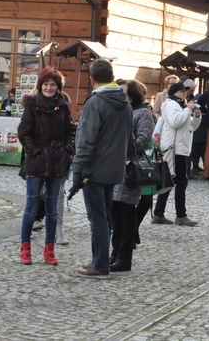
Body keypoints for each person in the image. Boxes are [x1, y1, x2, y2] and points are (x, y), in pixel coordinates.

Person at [71, 58, 133, 279]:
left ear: (92, 79)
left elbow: (85, 141)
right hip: (115, 168)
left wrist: (77, 171)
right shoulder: (124, 102)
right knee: (105, 216)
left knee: (97, 217)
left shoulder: (95, 103)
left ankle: (100, 265)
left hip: (94, 170)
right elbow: (130, 137)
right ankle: (100, 259)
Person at [17, 67, 75, 266]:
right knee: (32, 206)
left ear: (58, 87)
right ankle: (25, 247)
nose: (49, 88)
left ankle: (49, 248)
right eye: (46, 84)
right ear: (40, 86)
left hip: (57, 162)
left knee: (52, 208)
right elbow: (24, 132)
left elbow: (70, 131)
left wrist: (67, 152)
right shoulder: (32, 106)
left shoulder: (63, 106)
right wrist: (35, 152)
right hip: (37, 162)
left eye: (53, 84)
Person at [111, 79, 153, 272]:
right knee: (115, 214)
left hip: (130, 168)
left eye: (125, 92)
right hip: (115, 166)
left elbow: (143, 141)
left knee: (127, 214)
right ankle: (114, 253)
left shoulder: (143, 113)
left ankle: (124, 258)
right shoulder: (120, 111)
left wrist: (122, 142)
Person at [152, 81, 202, 226]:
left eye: (186, 91)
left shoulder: (180, 106)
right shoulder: (170, 105)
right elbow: (175, 122)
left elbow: (191, 126)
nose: (185, 93)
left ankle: (159, 213)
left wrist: (197, 116)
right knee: (178, 181)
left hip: (181, 148)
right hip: (174, 149)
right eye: (182, 91)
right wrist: (188, 110)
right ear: (174, 92)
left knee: (171, 181)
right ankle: (180, 215)